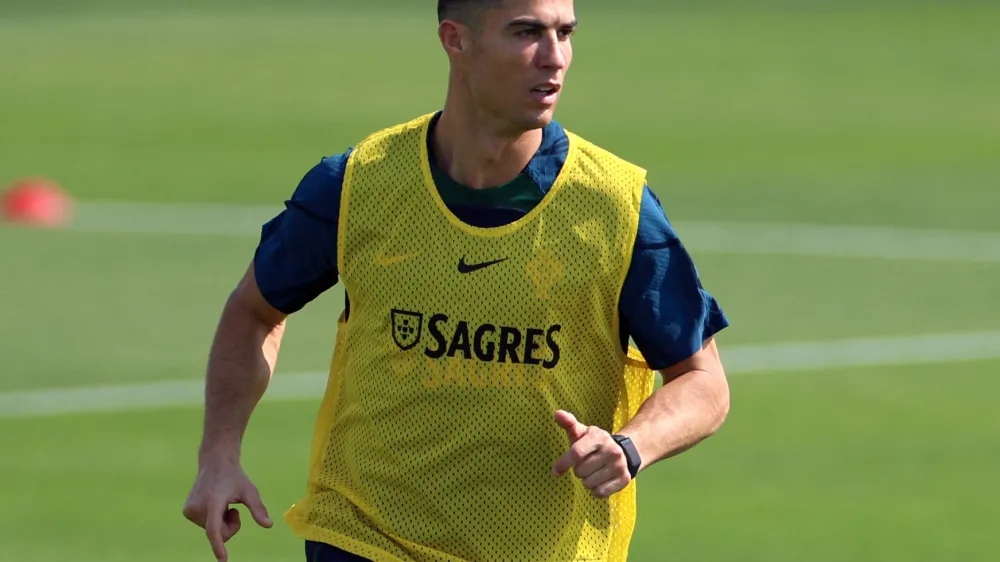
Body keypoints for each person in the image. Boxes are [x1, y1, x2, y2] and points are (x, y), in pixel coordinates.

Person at [182, 0, 732, 560]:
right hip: (364, 540)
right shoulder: (359, 183)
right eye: (527, 33)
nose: (555, 57)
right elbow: (254, 311)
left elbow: (703, 380)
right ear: (456, 39)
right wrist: (219, 455)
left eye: (565, 33)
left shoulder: (616, 207)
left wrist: (631, 445)